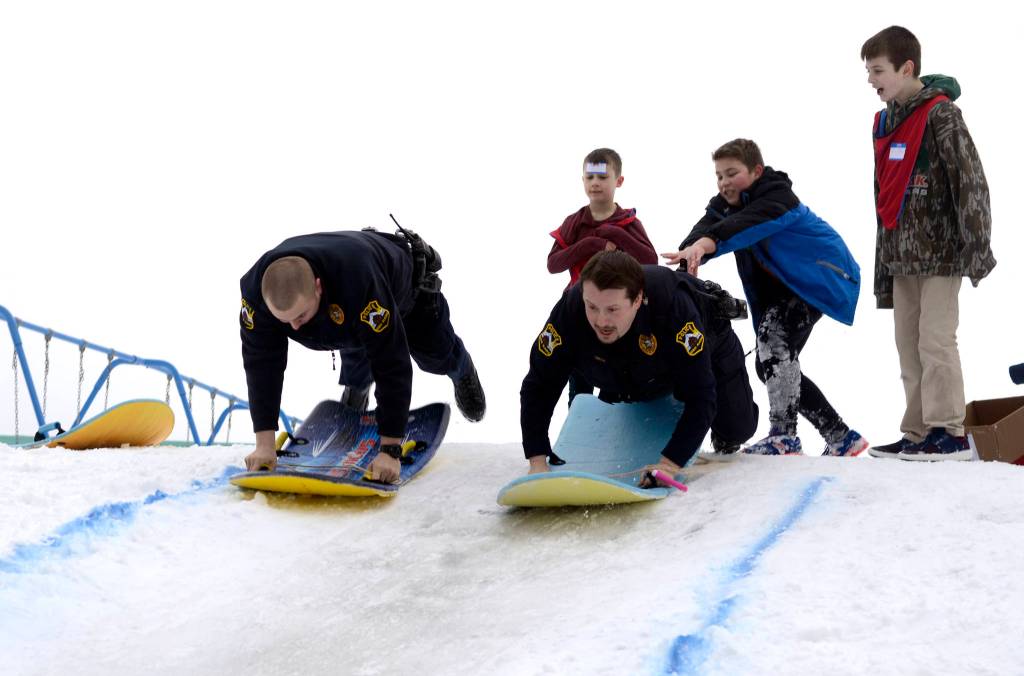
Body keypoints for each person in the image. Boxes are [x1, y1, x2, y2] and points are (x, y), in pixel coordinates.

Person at [664, 138, 866, 457]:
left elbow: (742, 226)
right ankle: (840, 435)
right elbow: (708, 227)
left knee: (773, 341)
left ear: (756, 171)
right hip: (788, 288)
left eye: (732, 173)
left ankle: (784, 435)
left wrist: (706, 245)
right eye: (719, 175)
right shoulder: (724, 206)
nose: (724, 182)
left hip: (821, 276)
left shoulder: (776, 197)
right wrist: (691, 251)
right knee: (769, 364)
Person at [239, 227, 485, 481]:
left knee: (436, 354)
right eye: (284, 321)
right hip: (344, 309)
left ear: (318, 287)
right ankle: (357, 388)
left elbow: (391, 362)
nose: (295, 327)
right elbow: (261, 366)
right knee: (354, 349)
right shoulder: (256, 299)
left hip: (405, 295)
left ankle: (462, 369)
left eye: (300, 315)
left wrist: (390, 449)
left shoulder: (359, 284)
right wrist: (264, 443)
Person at [861, 26, 995, 461]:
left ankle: (949, 432)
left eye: (878, 70)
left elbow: (970, 181)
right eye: (868, 71)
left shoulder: (941, 114)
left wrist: (977, 248)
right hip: (902, 256)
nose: (870, 80)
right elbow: (883, 197)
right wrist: (883, 263)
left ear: (907, 67)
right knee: (908, 346)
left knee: (936, 342)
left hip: (940, 253)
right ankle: (917, 432)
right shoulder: (884, 123)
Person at [520, 250, 758, 485]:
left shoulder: (673, 307)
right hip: (626, 368)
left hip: (704, 346)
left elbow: (702, 394)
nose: (601, 320)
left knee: (737, 428)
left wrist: (669, 464)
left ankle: (721, 432)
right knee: (629, 398)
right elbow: (538, 385)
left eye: (612, 309)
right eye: (592, 307)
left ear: (636, 300)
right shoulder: (569, 312)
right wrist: (537, 459)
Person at [547, 148, 659, 404]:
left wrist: (616, 234)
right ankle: (580, 432)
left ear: (618, 181)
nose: (595, 183)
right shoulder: (574, 222)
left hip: (621, 316)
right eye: (589, 177)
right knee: (579, 383)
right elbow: (553, 264)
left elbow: (650, 261)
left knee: (617, 379)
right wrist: (591, 244)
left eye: (602, 177)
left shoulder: (628, 223)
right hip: (581, 311)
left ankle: (613, 428)